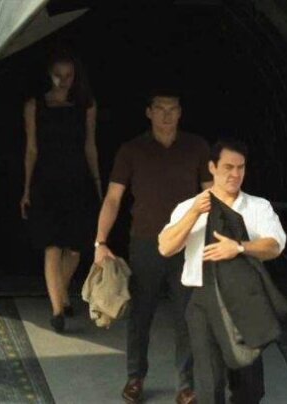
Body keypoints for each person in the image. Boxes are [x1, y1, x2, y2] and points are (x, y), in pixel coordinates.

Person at [94, 90, 211, 404]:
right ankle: (135, 378)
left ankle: (186, 386)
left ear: (180, 112)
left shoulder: (197, 147)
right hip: (146, 243)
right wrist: (100, 241)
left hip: (187, 243)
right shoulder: (132, 150)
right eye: (160, 108)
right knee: (140, 314)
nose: (166, 115)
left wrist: (218, 239)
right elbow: (114, 198)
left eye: (172, 108)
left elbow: (211, 195)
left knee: (187, 316)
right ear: (149, 112)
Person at [158, 139, 287, 404]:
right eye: (228, 167)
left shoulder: (257, 206)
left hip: (244, 300)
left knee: (250, 387)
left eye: (241, 167)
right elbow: (165, 247)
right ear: (212, 168)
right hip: (201, 301)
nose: (235, 174)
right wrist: (195, 213)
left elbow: (274, 245)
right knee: (209, 383)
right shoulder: (189, 206)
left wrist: (238, 247)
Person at [20, 50, 102, 333]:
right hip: (46, 180)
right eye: (58, 75)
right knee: (52, 245)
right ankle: (57, 309)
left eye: (68, 75)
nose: (64, 80)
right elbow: (31, 148)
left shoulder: (86, 105)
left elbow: (90, 145)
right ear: (50, 75)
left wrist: (97, 181)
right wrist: (26, 188)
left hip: (77, 178)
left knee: (76, 247)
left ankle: (61, 293)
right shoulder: (35, 105)